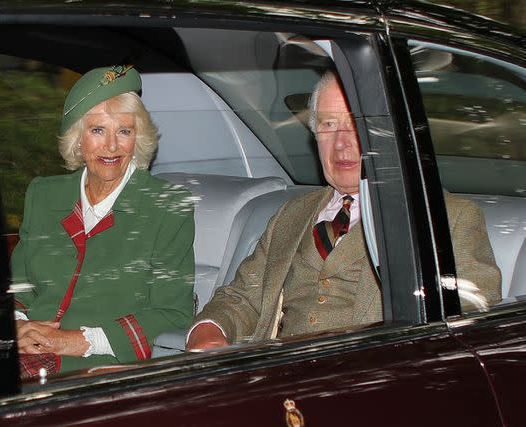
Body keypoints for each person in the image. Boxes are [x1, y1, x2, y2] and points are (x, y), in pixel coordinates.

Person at [186, 70, 501, 350]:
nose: (341, 143)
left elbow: (472, 317)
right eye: (329, 125)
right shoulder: (290, 215)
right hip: (279, 382)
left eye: (355, 125)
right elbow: (242, 297)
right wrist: (208, 331)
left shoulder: (447, 218)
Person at [11, 65, 195, 375]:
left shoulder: (167, 207)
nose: (112, 146)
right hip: (28, 356)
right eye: (98, 130)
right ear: (77, 139)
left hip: (101, 367)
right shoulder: (44, 195)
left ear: (138, 138)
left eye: (124, 131)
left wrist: (77, 341)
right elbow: (19, 288)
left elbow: (173, 313)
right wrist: (16, 327)